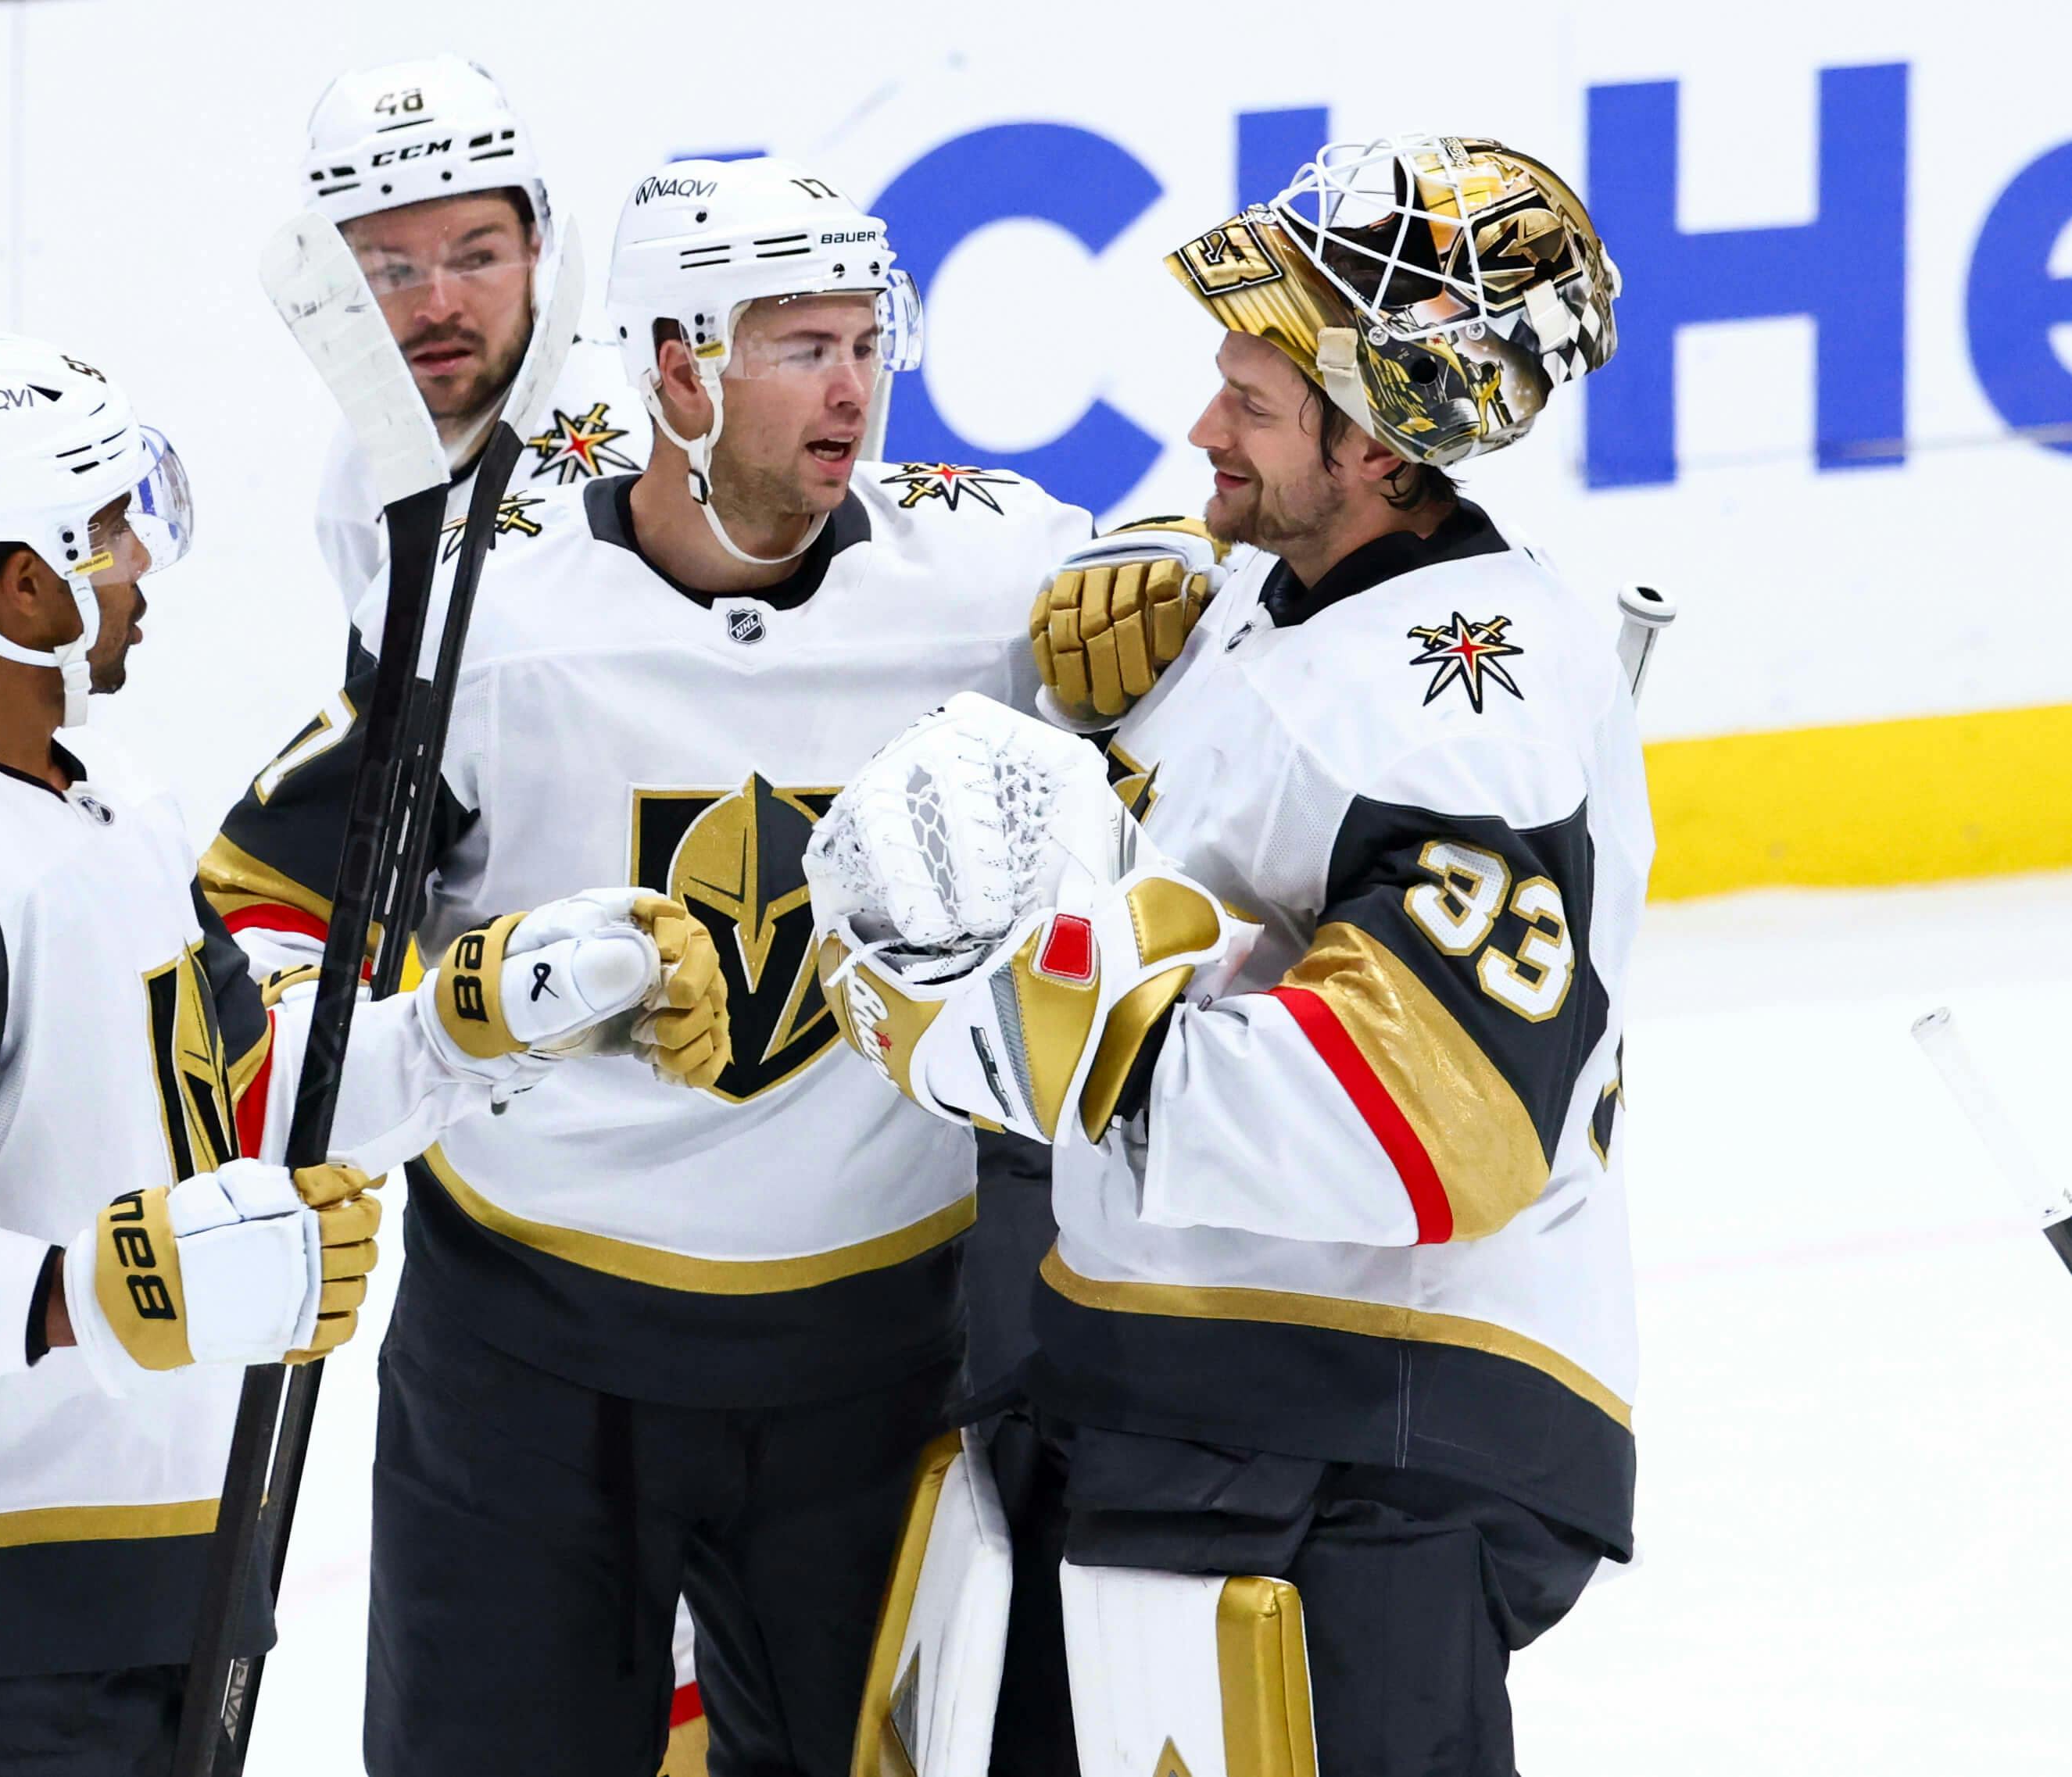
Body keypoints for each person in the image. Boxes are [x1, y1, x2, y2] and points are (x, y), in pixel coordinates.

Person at [0, 331, 729, 1775]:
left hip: (143, 1578)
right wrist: (97, 1285)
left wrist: (465, 1023)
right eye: (108, 528)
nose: (140, 562)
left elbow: (241, 1109)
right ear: (18, 584)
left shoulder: (108, 809)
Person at [200, 156, 1093, 1776]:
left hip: (882, 1368)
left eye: (865, 338)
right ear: (676, 367)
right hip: (527, 1380)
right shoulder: (490, 612)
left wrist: (1176, 586)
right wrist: (452, 1025)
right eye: (799, 345)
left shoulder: (994, 586)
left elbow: (1205, 655)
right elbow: (252, 951)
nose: (853, 385)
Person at [811, 136, 1642, 1775]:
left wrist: (1039, 1041)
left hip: (1363, 1453)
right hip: (1189, 1413)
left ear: (1388, 440)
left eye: (1253, 406)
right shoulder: (1278, 602)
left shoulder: (1463, 708)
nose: (1204, 432)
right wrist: (1091, 716)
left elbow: (1439, 1121)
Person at [298, 54, 650, 620]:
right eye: (392, 271)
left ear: (536, 242)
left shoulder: (653, 431)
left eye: (476, 259)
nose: (437, 308)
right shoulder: (356, 478)